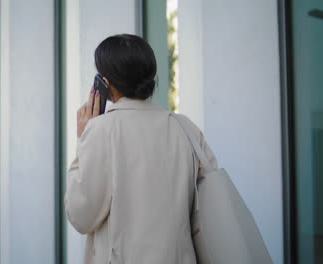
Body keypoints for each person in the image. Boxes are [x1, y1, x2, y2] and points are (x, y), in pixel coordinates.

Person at [64, 34, 218, 264]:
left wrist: (83, 138)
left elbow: (81, 216)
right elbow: (209, 209)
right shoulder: (186, 129)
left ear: (105, 82)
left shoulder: (101, 131)